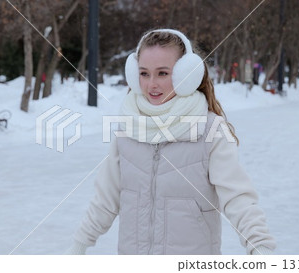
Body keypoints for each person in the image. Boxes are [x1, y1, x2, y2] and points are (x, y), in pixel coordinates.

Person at [65, 29, 276, 255]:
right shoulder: (127, 128)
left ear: (187, 75)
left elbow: (237, 198)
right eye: (144, 73)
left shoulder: (209, 131)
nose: (151, 84)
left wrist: (259, 245)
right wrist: (78, 246)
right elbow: (105, 200)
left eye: (163, 73)